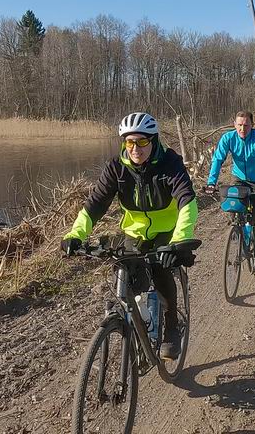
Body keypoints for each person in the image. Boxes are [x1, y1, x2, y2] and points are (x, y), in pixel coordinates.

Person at [61, 112, 198, 359]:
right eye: (130, 142)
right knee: (128, 276)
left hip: (167, 231)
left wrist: (180, 240)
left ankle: (171, 326)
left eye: (142, 142)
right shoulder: (116, 168)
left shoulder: (169, 163)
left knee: (160, 270)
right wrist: (76, 234)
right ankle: (135, 323)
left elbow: (187, 201)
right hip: (133, 232)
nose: (136, 148)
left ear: (153, 141)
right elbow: (95, 204)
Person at [205, 111, 255, 274]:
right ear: (234, 124)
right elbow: (217, 159)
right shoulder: (228, 138)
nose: (243, 128)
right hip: (239, 179)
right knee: (234, 211)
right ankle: (238, 235)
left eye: (246, 125)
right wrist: (211, 182)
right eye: (240, 125)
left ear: (252, 125)